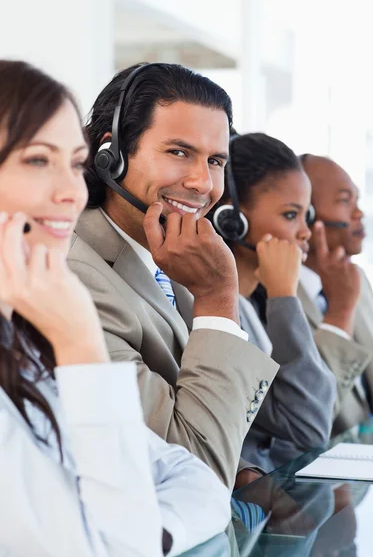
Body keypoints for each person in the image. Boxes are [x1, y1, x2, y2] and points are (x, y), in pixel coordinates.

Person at [0, 60, 231, 557]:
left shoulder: (19, 343)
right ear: (113, 156)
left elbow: (200, 482)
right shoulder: (68, 300)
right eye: (39, 160)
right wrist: (81, 346)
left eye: (73, 161)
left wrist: (146, 533)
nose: (70, 191)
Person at [69, 63, 279, 490]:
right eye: (179, 152)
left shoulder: (178, 256)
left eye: (215, 160)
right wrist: (219, 299)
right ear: (111, 153)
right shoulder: (75, 278)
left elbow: (226, 425)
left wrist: (241, 469)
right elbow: (196, 469)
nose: (203, 183)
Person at [210, 132, 336, 470]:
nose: (306, 231)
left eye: (306, 216)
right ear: (232, 221)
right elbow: (308, 426)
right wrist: (284, 294)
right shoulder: (217, 313)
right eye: (290, 215)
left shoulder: (249, 305)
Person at [299, 154, 373, 434]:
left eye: (357, 200)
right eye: (345, 201)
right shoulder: (278, 296)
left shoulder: (357, 279)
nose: (359, 214)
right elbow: (309, 407)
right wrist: (341, 308)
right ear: (304, 213)